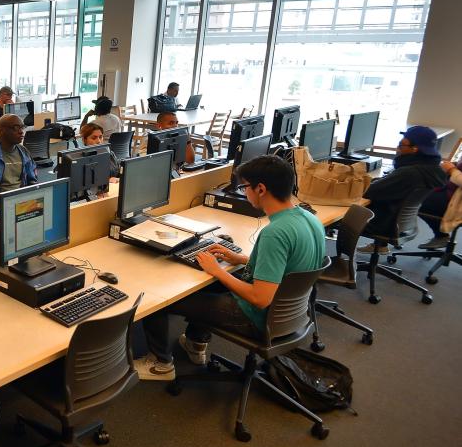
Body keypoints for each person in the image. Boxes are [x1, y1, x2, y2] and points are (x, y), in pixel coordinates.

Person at [140, 155, 326, 375]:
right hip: (288, 313)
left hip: (255, 316)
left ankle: (161, 364)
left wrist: (217, 271)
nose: (243, 192)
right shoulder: (308, 217)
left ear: (261, 189)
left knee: (160, 299)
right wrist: (239, 259)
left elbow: (260, 298)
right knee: (209, 285)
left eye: (245, 187)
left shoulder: (275, 233)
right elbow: (290, 266)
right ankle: (195, 343)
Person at [358, 126, 447, 253]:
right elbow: (390, 188)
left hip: (382, 223)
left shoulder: (410, 172)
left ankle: (340, 257)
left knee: (340, 211)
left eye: (401, 145)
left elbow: (368, 192)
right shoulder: (433, 169)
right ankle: (381, 245)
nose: (397, 148)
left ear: (414, 149)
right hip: (398, 222)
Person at [0, 114, 37, 208]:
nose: (21, 132)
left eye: (22, 127)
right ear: (1, 131)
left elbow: (32, 181)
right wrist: (9, 200)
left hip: (22, 203)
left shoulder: (24, 152)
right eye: (16, 128)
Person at [418, 158, 462, 249]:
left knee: (418, 202)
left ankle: (441, 236)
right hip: (453, 193)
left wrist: (452, 170)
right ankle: (440, 235)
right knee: (420, 192)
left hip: (458, 202)